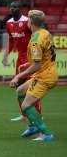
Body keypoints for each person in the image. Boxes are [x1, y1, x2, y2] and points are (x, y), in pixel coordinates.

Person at [10, 10, 58, 142]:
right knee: (20, 91)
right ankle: (32, 126)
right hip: (47, 72)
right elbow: (46, 55)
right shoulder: (45, 33)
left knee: (26, 105)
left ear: (31, 22)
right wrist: (28, 64)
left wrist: (18, 76)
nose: (26, 22)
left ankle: (46, 134)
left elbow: (37, 65)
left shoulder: (36, 40)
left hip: (44, 76)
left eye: (28, 20)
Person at [3, 2, 42, 122]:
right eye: (11, 7)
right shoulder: (8, 23)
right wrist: (6, 54)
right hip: (20, 58)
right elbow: (10, 40)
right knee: (18, 87)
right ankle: (24, 114)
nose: (12, 9)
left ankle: (38, 114)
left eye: (15, 7)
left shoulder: (27, 21)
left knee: (33, 87)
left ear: (19, 9)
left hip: (30, 57)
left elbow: (37, 35)